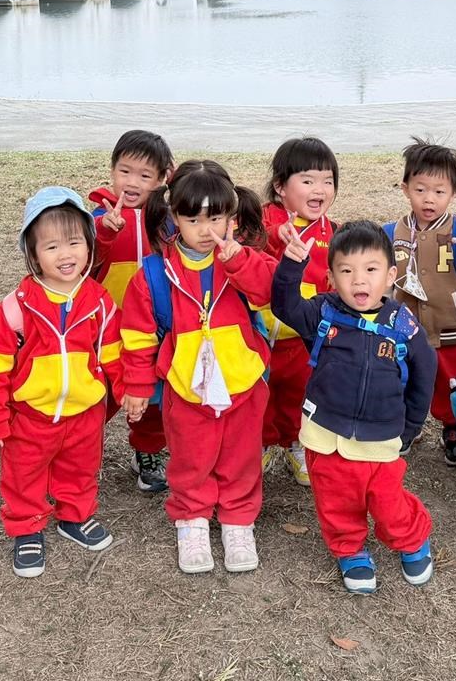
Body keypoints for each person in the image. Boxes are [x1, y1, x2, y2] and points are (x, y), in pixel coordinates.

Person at [117, 160, 277, 575]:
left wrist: (240, 261)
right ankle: (192, 520)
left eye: (216, 219)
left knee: (242, 454)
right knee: (191, 456)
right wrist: (137, 385)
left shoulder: (242, 259)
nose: (206, 230)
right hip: (185, 385)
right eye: (194, 220)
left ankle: (238, 521)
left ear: (231, 217)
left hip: (243, 381)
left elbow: (270, 293)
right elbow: (137, 336)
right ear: (174, 218)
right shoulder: (154, 273)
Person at [271, 220, 436, 594]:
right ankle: (350, 550)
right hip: (324, 435)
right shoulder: (323, 313)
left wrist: (410, 428)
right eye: (346, 271)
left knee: (388, 503)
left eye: (371, 269)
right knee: (336, 502)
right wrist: (292, 265)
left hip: (381, 438)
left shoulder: (403, 325)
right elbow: (284, 305)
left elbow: (423, 377)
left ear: (391, 275)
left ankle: (411, 537)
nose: (359, 280)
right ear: (331, 277)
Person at [0, 187, 124, 578]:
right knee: (23, 473)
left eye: (75, 242)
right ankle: (26, 526)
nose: (65, 254)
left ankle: (74, 516)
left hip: (85, 412)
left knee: (81, 468)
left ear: (89, 245)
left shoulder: (100, 301)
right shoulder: (15, 308)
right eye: (52, 246)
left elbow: (112, 353)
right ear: (33, 252)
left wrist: (127, 392)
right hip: (29, 415)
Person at [384, 138, 456, 467]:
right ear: (405, 188)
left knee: (454, 381)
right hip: (406, 328)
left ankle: (454, 428)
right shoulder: (392, 233)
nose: (429, 198)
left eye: (439, 191)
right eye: (420, 189)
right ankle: (408, 425)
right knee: (406, 378)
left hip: (454, 328)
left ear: (453, 193)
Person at [90, 129, 175, 494]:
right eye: (124, 171)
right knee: (100, 393)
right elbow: (86, 262)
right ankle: (77, 447)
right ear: (112, 171)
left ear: (162, 179)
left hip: (152, 329)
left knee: (153, 397)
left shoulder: (168, 220)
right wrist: (103, 231)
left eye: (145, 175)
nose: (132, 182)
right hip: (108, 328)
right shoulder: (98, 214)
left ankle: (148, 452)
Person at [259, 136, 340, 486]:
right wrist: (275, 233)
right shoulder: (263, 220)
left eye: (328, 181)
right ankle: (261, 443)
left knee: (299, 392)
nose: (319, 189)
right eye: (307, 181)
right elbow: (246, 242)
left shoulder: (332, 232)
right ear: (280, 187)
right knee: (260, 394)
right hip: (259, 334)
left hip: (303, 337)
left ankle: (295, 443)